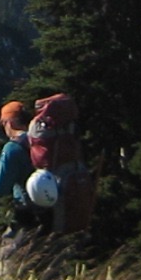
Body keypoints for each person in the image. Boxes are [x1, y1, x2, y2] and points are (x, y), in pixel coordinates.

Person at [0, 98, 51, 232]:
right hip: (52, 209)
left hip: (28, 214)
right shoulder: (41, 140)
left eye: (3, 124)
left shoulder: (12, 148)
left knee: (10, 244)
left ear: (9, 122)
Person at [26, 92, 97, 237]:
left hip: (51, 179)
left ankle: (59, 239)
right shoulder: (71, 125)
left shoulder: (38, 126)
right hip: (77, 173)